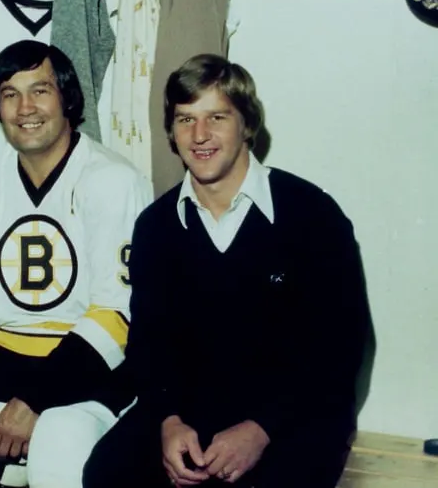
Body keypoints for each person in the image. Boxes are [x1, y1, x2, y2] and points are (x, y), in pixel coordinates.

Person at [82, 54, 371, 488]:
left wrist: (262, 429)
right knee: (106, 472)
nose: (199, 135)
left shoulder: (312, 214)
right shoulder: (156, 226)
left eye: (217, 117)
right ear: (171, 133)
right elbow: (149, 347)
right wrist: (168, 421)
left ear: (247, 124)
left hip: (294, 415)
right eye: (185, 119)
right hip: (190, 416)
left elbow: (340, 349)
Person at [0, 40, 152, 488]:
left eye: (40, 90)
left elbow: (116, 316)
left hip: (88, 368)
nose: (25, 108)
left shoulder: (113, 180)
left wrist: (35, 398)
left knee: (60, 440)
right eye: (10, 94)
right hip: (1, 356)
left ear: (67, 98)